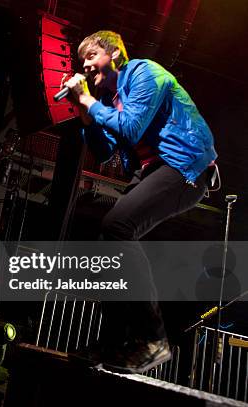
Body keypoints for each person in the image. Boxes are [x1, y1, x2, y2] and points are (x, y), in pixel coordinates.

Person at [62, 30, 217, 373]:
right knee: (107, 242)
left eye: (90, 56)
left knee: (117, 226)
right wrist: (83, 110)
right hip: (153, 168)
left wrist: (87, 101)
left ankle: (153, 339)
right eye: (81, 61)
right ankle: (115, 341)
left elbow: (131, 128)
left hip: (184, 165)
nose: (84, 66)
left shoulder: (145, 72)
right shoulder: (107, 96)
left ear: (114, 52)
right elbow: (103, 151)